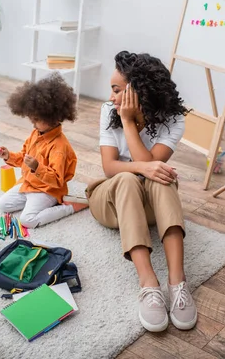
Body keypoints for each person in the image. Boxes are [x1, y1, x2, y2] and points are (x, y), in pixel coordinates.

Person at [86, 51, 198, 332]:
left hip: (148, 204)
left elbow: (151, 168)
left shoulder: (173, 120)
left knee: (163, 178)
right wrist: (124, 120)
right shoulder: (108, 111)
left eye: (116, 90)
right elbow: (110, 167)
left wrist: (134, 134)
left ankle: (177, 283)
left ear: (139, 92)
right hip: (110, 201)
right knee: (127, 179)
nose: (111, 97)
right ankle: (149, 284)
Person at [0, 74, 88, 228]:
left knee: (27, 221)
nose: (33, 125)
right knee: (3, 205)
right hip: (28, 184)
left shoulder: (59, 147)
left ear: (53, 117)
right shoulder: (35, 134)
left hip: (47, 190)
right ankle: (32, 202)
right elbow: (22, 158)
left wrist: (37, 167)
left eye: (36, 120)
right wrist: (8, 156)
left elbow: (57, 180)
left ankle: (70, 207)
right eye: (32, 119)